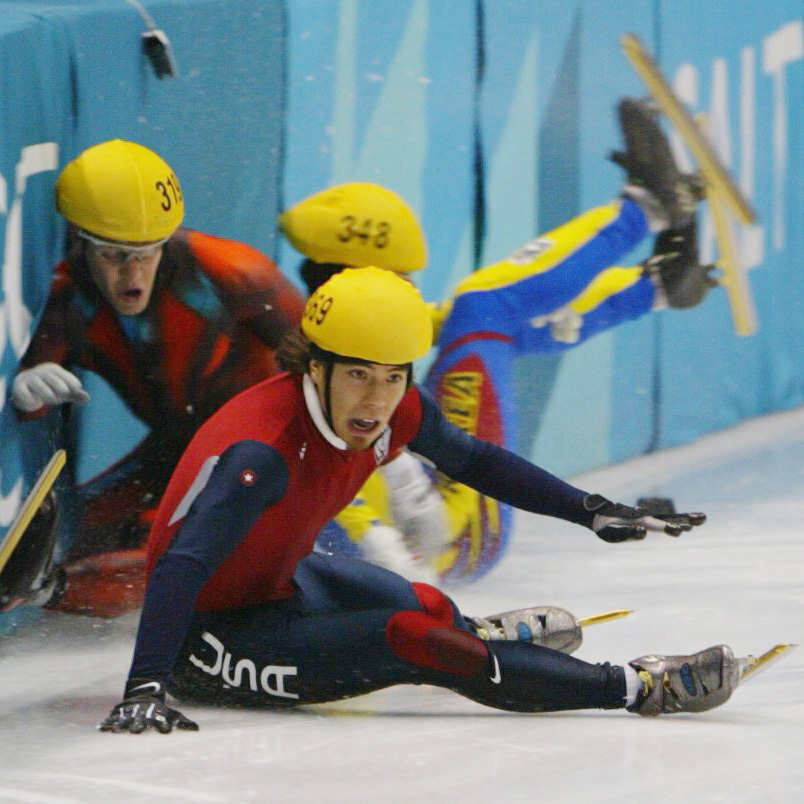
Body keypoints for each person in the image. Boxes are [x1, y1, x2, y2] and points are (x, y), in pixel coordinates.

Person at [99, 266, 737, 735]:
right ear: (313, 368)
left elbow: (476, 460)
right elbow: (182, 564)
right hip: (206, 641)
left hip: (282, 581)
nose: (375, 402)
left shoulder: (395, 408)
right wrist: (145, 685)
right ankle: (639, 685)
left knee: (431, 604)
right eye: (357, 376)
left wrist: (591, 509)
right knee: (415, 639)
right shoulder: (260, 454)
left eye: (392, 377)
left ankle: (474, 634)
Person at [280, 98, 714, 583]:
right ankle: (648, 216)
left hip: (429, 529)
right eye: (401, 277)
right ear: (364, 274)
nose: (411, 286)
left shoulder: (333, 331)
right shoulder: (311, 360)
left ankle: (656, 281)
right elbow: (316, 479)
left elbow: (483, 326)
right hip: (433, 541)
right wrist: (398, 568)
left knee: (491, 320)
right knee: (485, 309)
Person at [1, 140, 305, 615]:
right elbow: (36, 395)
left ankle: (48, 590)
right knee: (80, 532)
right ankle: (50, 584)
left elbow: (332, 365)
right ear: (81, 243)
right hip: (178, 446)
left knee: (192, 545)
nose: (133, 274)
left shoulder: (235, 274)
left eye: (148, 253)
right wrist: (26, 393)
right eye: (115, 255)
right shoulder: (69, 300)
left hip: (256, 448)